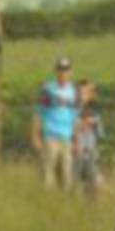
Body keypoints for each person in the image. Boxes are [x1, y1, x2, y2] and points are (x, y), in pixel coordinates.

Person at [32, 57, 79, 190]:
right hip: (51, 136)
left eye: (66, 69)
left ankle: (63, 199)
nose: (63, 72)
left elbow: (75, 117)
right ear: (56, 71)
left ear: (71, 72)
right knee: (48, 172)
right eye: (60, 69)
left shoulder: (74, 91)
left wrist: (76, 139)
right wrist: (35, 136)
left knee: (67, 173)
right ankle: (47, 198)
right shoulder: (47, 90)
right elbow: (39, 113)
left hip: (67, 137)